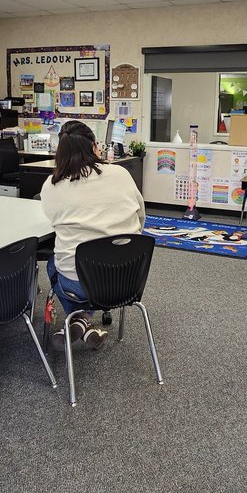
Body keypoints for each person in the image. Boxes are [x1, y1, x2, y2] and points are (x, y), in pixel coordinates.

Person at [40, 120, 145, 350]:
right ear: (95, 147)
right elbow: (141, 218)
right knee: (83, 262)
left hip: (79, 286)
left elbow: (52, 221)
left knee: (52, 262)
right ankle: (83, 321)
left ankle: (79, 319)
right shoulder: (121, 173)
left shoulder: (52, 185)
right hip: (128, 278)